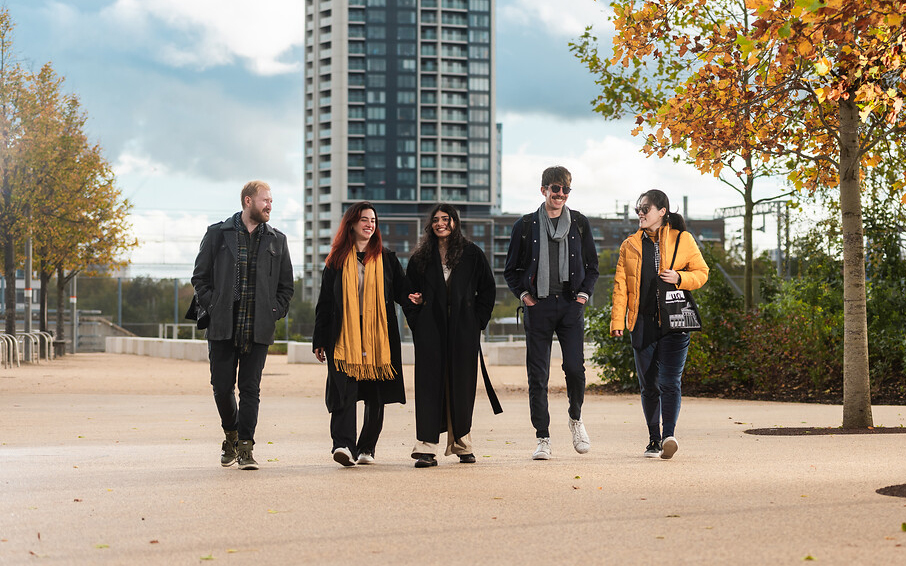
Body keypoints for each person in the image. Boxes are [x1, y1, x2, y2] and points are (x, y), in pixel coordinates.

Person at [191, 180, 294, 470]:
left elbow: (287, 286)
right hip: (224, 325)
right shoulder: (217, 234)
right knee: (222, 387)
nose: (270, 206)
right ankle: (231, 435)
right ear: (248, 201)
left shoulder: (278, 240)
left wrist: (273, 310)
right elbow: (200, 278)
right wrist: (214, 304)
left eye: (272, 201)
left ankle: (246, 447)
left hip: (258, 326)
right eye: (265, 201)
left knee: (251, 390)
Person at [503, 165, 599, 460]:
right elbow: (511, 270)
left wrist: (583, 295)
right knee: (538, 375)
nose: (560, 194)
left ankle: (575, 418)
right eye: (555, 189)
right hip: (539, 306)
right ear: (543, 190)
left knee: (574, 368)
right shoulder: (526, 225)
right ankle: (543, 437)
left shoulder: (580, 223)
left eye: (565, 190)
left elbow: (592, 266)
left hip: (571, 305)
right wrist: (525, 296)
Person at [610, 189, 709, 459]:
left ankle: (668, 436)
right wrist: (618, 320)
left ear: (662, 211)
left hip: (675, 322)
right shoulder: (629, 245)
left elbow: (702, 273)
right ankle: (653, 439)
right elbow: (621, 287)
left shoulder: (683, 239)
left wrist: (679, 277)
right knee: (649, 386)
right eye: (638, 209)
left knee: (670, 381)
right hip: (642, 323)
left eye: (646, 208)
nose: (640, 213)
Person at [312, 202, 409, 467]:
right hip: (344, 336)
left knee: (376, 393)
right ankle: (343, 444)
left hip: (379, 335)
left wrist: (414, 297)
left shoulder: (387, 259)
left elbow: (402, 291)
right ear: (352, 224)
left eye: (373, 220)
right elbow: (325, 303)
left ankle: (367, 447)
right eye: (364, 219)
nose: (369, 224)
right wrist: (319, 339)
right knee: (344, 389)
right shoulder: (336, 261)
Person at [405, 203, 499, 468]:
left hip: (463, 329)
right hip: (430, 329)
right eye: (435, 219)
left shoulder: (472, 254)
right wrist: (417, 320)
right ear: (430, 225)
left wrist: (477, 322)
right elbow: (407, 293)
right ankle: (425, 448)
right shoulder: (421, 256)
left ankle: (462, 444)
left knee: (461, 384)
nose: (440, 223)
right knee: (428, 385)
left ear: (455, 222)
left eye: (445, 219)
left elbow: (488, 290)